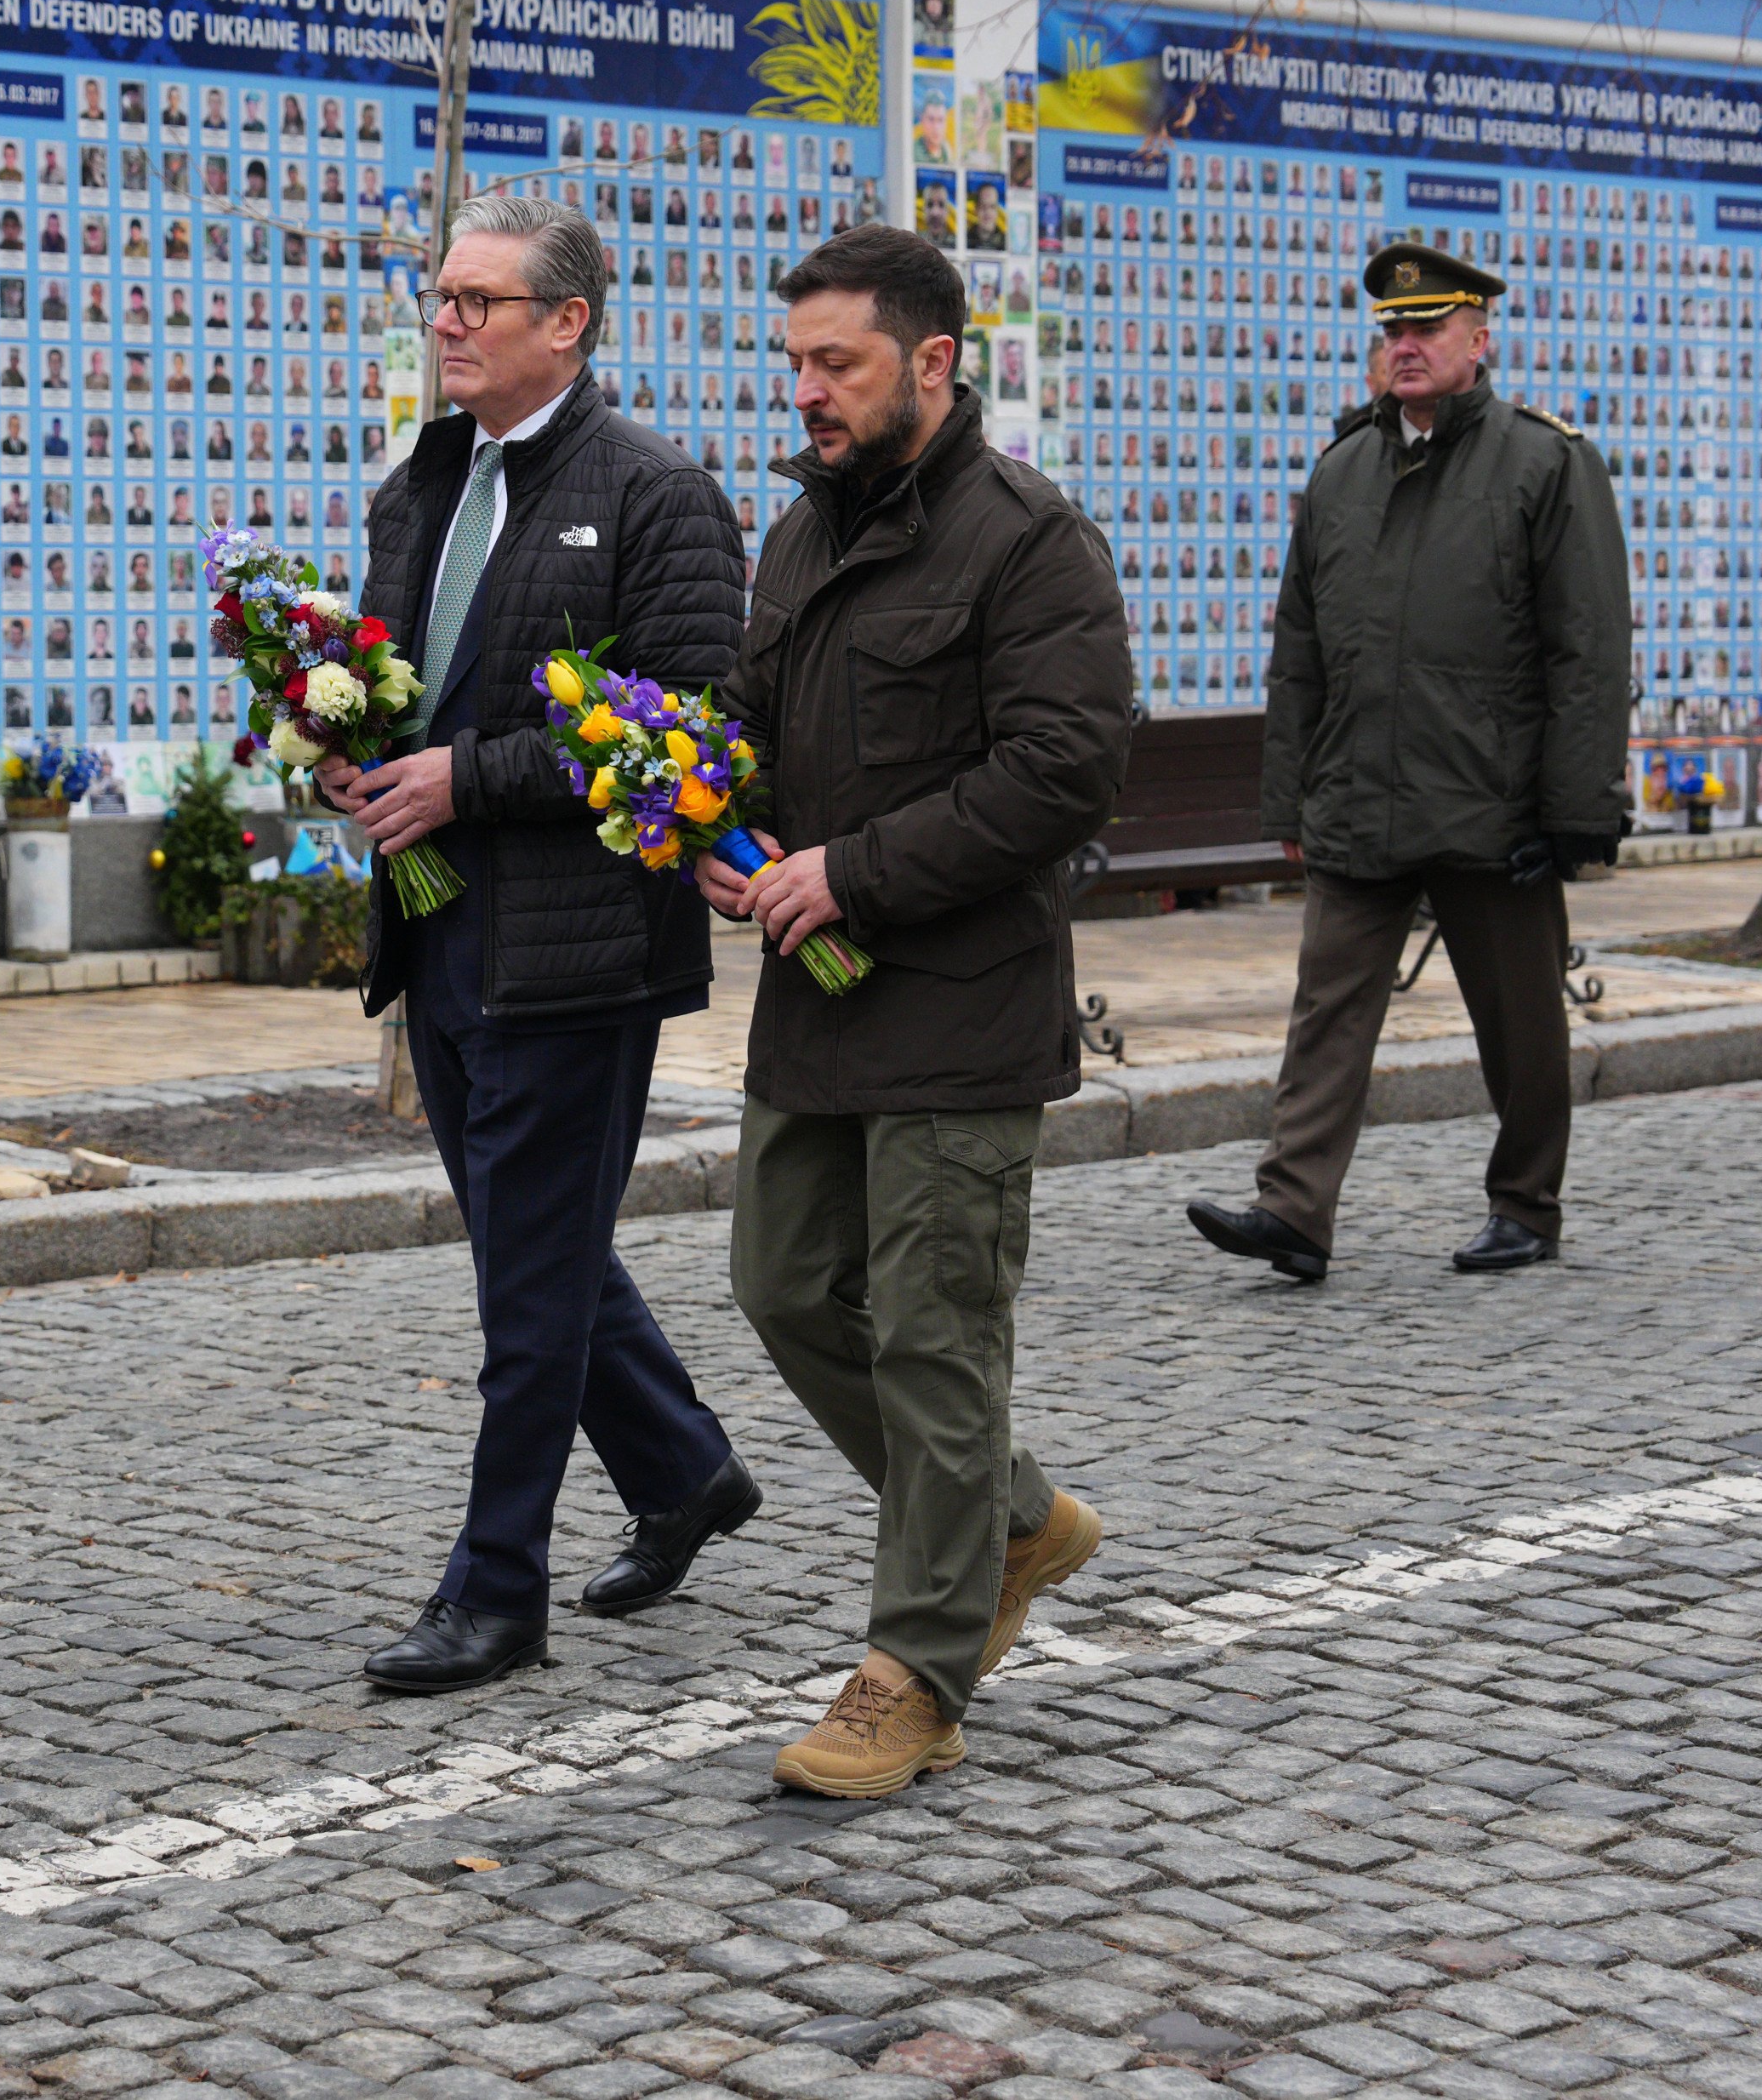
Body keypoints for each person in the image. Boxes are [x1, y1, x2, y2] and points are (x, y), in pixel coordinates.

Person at [694, 226, 1132, 1797]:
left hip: (953, 1001)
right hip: (817, 1005)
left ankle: (918, 1670)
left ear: (933, 365)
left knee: (941, 1341)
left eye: (839, 364)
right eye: (795, 361)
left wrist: (854, 875)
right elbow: (764, 723)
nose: (805, 391)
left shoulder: (1030, 543)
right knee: (783, 1282)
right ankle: (1012, 1516)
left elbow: (1062, 770)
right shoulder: (804, 536)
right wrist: (704, 809)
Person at [318, 194, 756, 1694]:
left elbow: (698, 730)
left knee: (526, 1289)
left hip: (576, 955)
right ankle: (685, 1468)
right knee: (537, 1249)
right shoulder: (422, 483)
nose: (446, 320)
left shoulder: (654, 494)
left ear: (566, 323)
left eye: (478, 302)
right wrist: (346, 749)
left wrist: (470, 776)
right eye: (439, 296)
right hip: (437, 930)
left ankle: (496, 1591)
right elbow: (401, 689)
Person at [1188, 242, 1632, 1282]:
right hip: (1358, 795)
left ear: (1481, 340)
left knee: (1519, 1024)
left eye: (1428, 328)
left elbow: (1588, 647)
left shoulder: (1545, 463)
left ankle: (1525, 1203)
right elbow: (1300, 650)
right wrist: (1290, 794)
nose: (1407, 346)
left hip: (1494, 805)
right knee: (1327, 1009)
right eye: (1392, 330)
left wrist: (1575, 812)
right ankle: (1293, 1209)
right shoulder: (1342, 469)